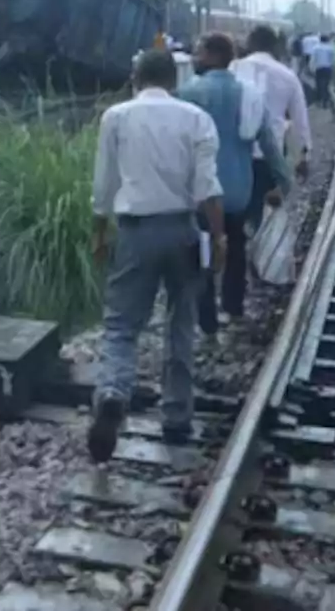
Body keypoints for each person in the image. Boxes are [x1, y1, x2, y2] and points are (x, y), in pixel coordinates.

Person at [87, 48, 225, 461]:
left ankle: (113, 391)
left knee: (121, 325)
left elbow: (104, 184)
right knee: (180, 323)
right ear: (173, 80)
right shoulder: (196, 119)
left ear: (136, 76)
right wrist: (218, 237)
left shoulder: (116, 117)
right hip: (183, 230)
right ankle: (177, 418)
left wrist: (99, 232)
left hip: (135, 232)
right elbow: (207, 189)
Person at [183, 34, 290, 335]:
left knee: (202, 250)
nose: (195, 57)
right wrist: (284, 181)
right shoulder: (250, 94)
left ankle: (206, 320)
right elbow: (270, 145)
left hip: (200, 191)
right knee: (236, 246)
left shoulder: (189, 92)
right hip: (238, 188)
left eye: (199, 51)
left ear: (214, 56)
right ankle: (233, 306)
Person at [233, 24, 311, 231]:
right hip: (269, 156)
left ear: (250, 44)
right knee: (261, 210)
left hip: (234, 154)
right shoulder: (287, 76)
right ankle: (256, 249)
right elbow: (300, 122)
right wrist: (302, 158)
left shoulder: (232, 69)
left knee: (234, 215)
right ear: (275, 46)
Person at [308, 33, 335, 109]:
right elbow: (333, 59)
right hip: (328, 68)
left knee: (319, 85)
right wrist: (332, 67)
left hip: (319, 68)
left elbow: (313, 59)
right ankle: (326, 100)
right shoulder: (330, 48)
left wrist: (311, 68)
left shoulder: (315, 48)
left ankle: (320, 100)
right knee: (327, 85)